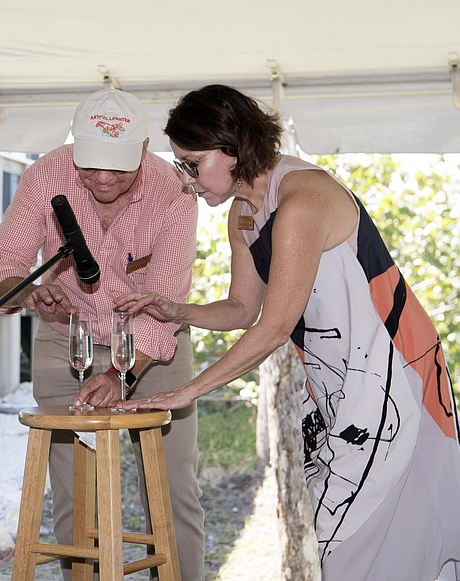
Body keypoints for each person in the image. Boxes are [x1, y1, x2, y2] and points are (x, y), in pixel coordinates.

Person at [117, 84, 460, 580]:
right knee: (350, 535)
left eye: (193, 163)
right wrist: (173, 310)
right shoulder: (243, 213)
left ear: (232, 145)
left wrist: (184, 392)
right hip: (338, 383)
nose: (187, 180)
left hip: (393, 374)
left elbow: (275, 328)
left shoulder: (301, 199)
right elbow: (241, 309)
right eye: (181, 166)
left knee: (366, 537)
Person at [0, 88, 204, 580]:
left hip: (153, 351)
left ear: (143, 150)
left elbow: (164, 300)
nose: (102, 179)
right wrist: (27, 291)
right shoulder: (46, 175)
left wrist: (124, 374)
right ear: (74, 147)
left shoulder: (176, 192)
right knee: (74, 498)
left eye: (118, 168)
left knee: (173, 492)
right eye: (90, 164)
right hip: (66, 342)